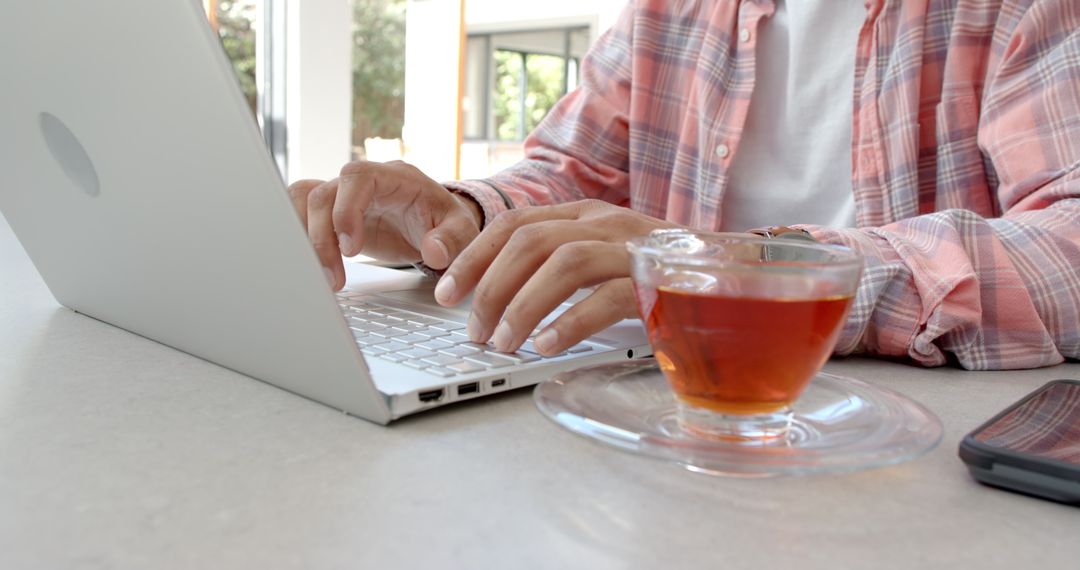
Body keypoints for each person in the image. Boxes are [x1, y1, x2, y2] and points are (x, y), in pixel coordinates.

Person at [288, 0, 1080, 371]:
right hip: (659, 414)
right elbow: (568, 174)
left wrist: (745, 273)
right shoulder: (668, 12)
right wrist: (452, 220)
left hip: (905, 455)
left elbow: (1069, 247)